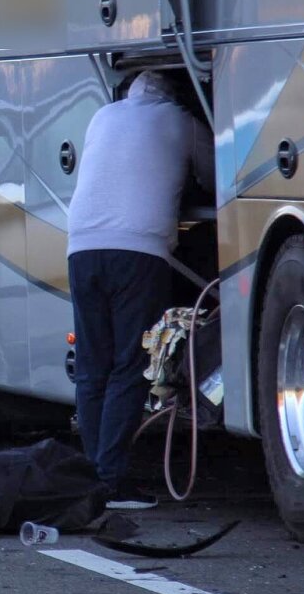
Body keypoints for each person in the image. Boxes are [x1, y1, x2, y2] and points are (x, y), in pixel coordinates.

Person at [66, 70, 215, 511]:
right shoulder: (183, 121)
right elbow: (213, 178)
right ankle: (111, 482)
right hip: (138, 252)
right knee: (130, 367)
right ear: (173, 95)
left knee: (93, 367)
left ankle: (92, 477)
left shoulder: (103, 116)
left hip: (81, 247)